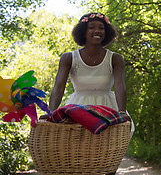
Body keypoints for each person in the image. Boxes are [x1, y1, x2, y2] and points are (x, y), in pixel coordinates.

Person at [45, 13, 133, 175]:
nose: (97, 31)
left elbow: (120, 86)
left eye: (101, 28)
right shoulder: (69, 58)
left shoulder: (115, 58)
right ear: (83, 31)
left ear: (107, 32)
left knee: (107, 160)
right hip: (77, 110)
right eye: (91, 27)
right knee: (78, 158)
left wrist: (121, 112)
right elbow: (58, 87)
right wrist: (50, 113)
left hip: (108, 109)